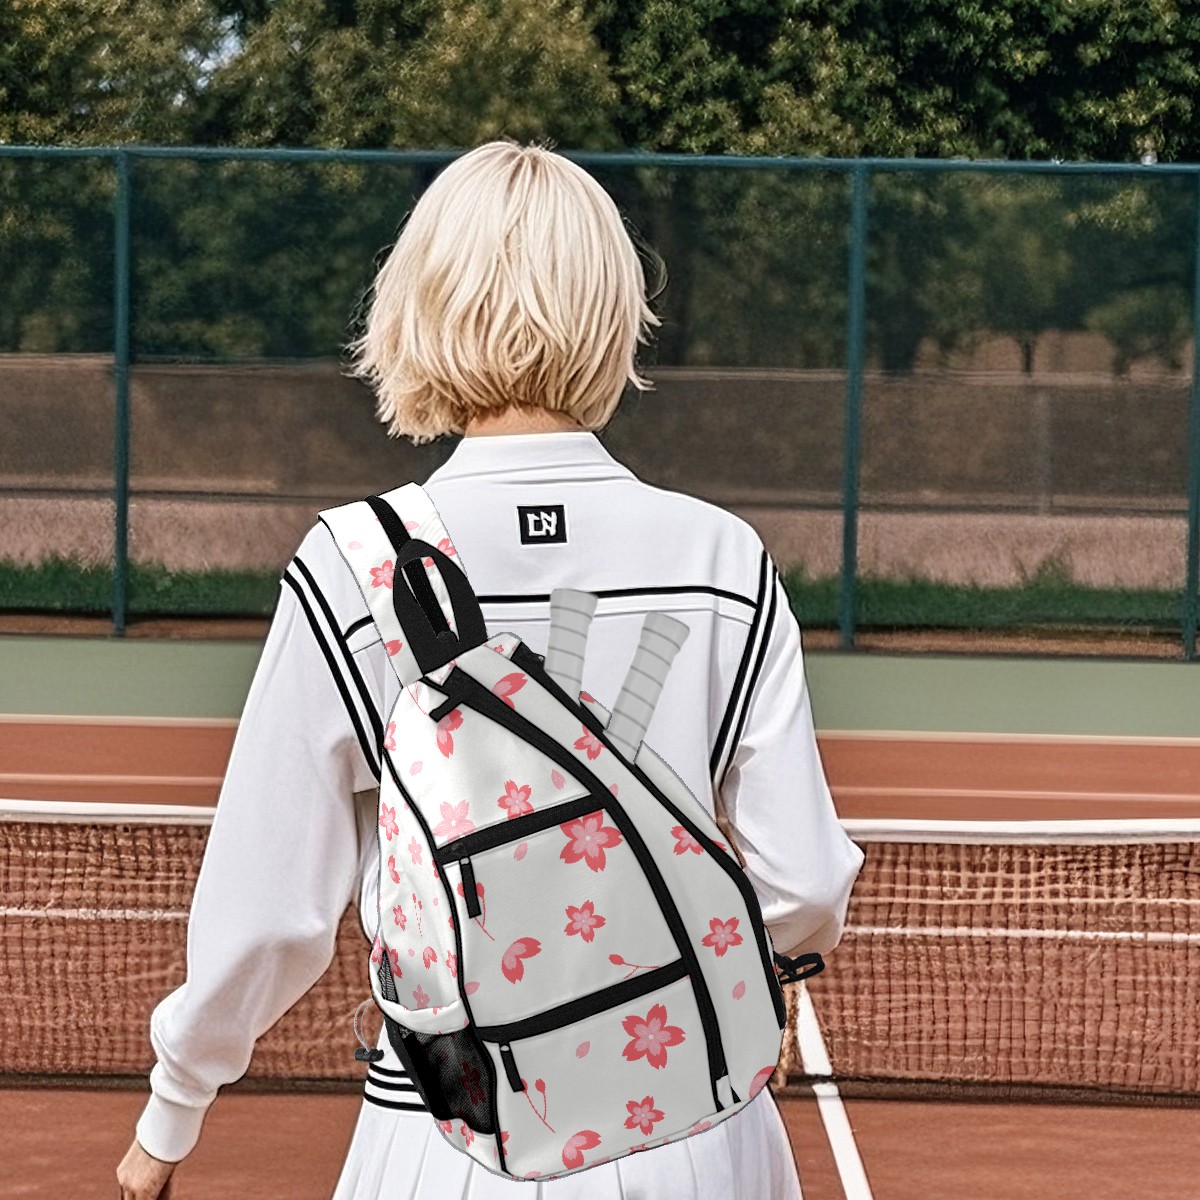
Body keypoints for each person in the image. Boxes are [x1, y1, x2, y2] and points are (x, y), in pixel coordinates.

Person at [118, 138, 864, 1200]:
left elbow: (270, 912)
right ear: (614, 311)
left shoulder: (352, 566)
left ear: (422, 306)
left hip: (446, 1133)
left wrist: (172, 1112)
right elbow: (807, 884)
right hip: (694, 1120)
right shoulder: (723, 558)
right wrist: (756, 970)